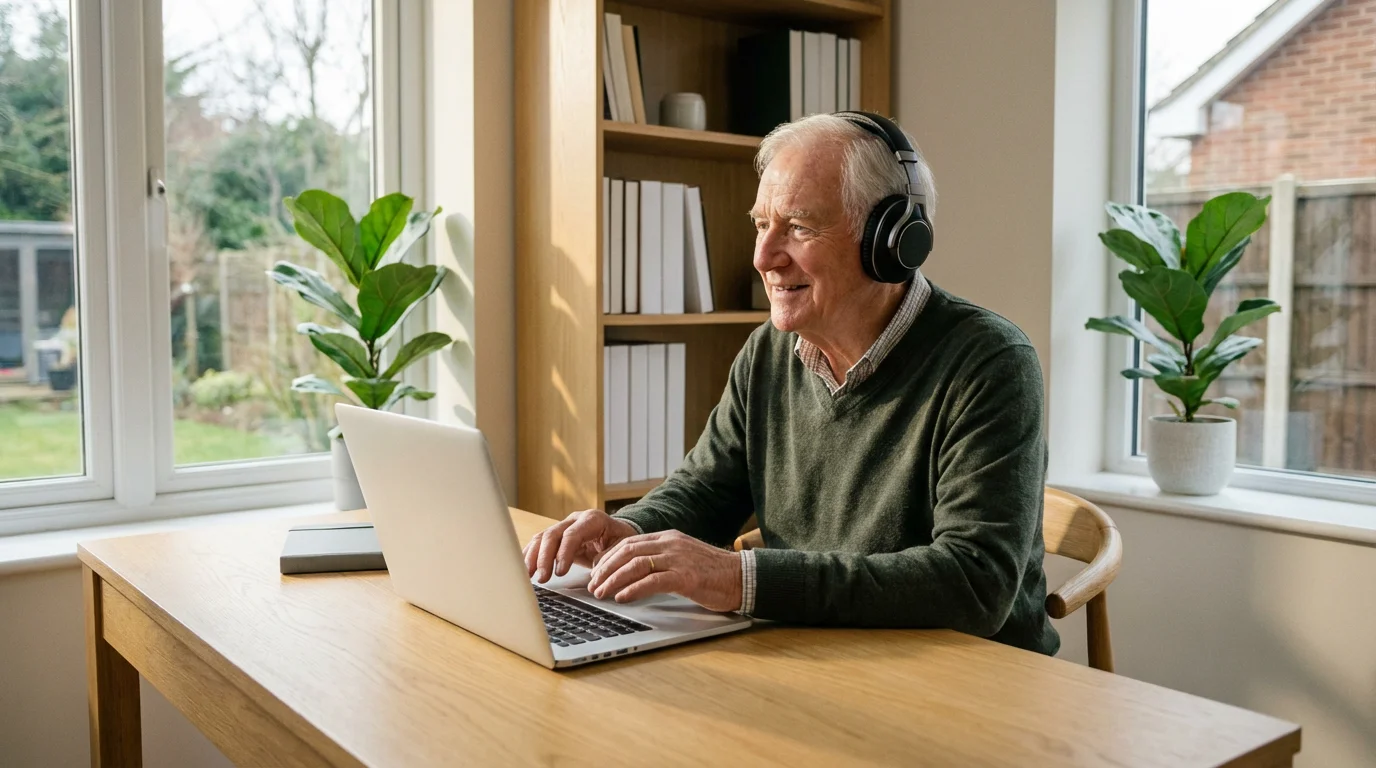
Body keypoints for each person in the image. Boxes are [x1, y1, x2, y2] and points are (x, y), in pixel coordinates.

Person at [523, 112, 1058, 655]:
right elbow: (707, 489)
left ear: (891, 241)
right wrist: (630, 534)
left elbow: (974, 584)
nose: (763, 258)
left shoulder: (990, 362)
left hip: (970, 677)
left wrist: (740, 579)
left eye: (799, 227)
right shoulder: (769, 351)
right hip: (817, 650)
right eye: (761, 224)